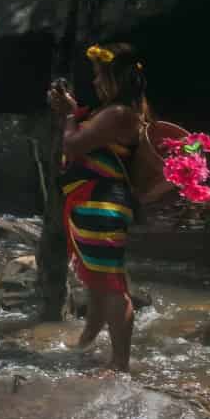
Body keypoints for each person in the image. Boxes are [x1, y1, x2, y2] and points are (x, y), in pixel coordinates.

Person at [49, 42, 161, 373]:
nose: (95, 82)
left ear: (116, 78)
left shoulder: (118, 114)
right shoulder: (124, 113)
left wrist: (70, 114)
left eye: (100, 75)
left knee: (112, 284)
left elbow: (73, 144)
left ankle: (120, 363)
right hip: (98, 201)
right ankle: (87, 339)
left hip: (102, 202)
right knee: (99, 281)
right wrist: (69, 112)